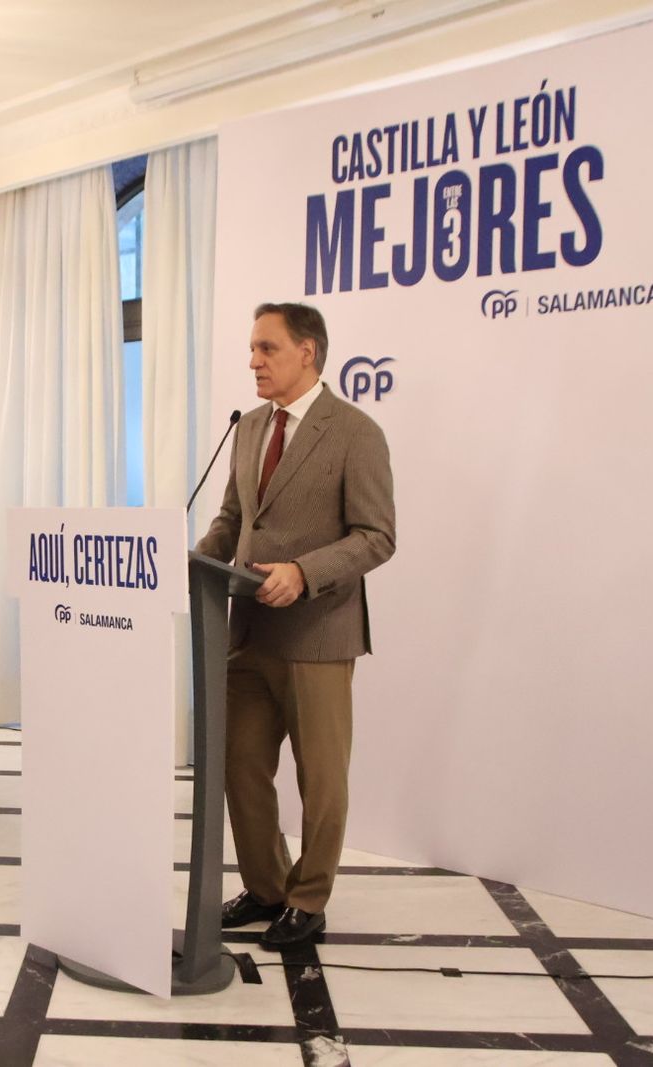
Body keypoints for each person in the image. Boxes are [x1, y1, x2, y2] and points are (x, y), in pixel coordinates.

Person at [195, 302, 395, 949]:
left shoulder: (355, 432)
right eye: (252, 348)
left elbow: (376, 536)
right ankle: (266, 886)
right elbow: (234, 519)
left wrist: (305, 572)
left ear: (307, 352)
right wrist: (194, 560)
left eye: (267, 348)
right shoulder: (251, 427)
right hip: (247, 631)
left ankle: (308, 900)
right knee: (240, 764)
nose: (253, 360)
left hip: (318, 634)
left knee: (321, 780)